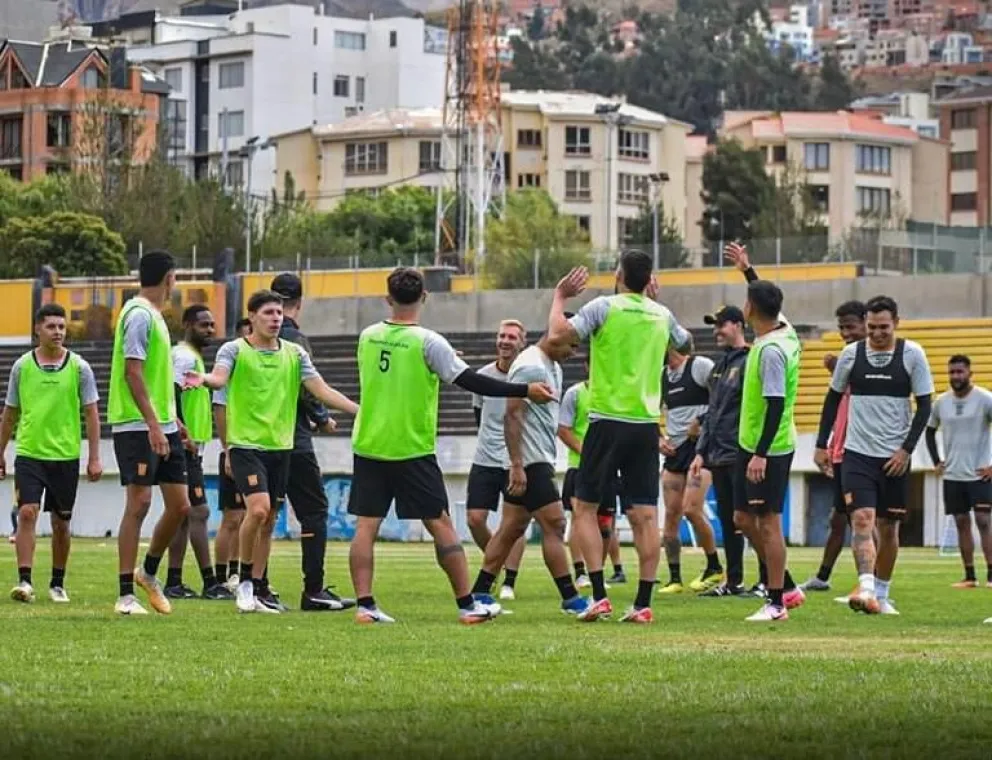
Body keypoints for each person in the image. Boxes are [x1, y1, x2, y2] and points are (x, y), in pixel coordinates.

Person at [347, 267, 555, 624]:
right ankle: (467, 604)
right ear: (425, 297)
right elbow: (474, 381)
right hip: (411, 448)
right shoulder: (429, 342)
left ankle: (365, 606)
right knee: (441, 524)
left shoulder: (368, 336)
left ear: (387, 298)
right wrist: (525, 389)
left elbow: (395, 366)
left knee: (366, 526)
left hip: (369, 444)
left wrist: (443, 357)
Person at [187, 290, 360, 615]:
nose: (276, 318)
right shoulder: (234, 349)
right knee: (257, 510)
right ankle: (244, 582)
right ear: (252, 317)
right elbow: (219, 378)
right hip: (245, 446)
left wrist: (359, 411)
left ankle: (258, 587)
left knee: (268, 520)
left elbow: (321, 390)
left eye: (279, 313)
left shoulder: (294, 353)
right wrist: (205, 379)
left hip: (281, 447)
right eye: (268, 313)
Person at [548, 251, 691, 623]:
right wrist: (654, 304)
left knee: (584, 508)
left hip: (606, 420)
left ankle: (599, 595)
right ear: (649, 281)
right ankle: (643, 603)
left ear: (618, 274)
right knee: (645, 515)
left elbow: (558, 335)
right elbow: (686, 345)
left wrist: (560, 297)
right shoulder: (662, 315)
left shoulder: (603, 307)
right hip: (644, 425)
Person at [815, 295, 934, 616]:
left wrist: (906, 450)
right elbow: (832, 399)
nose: (878, 333)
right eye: (872, 328)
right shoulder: (851, 355)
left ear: (896, 323)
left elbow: (925, 406)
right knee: (861, 519)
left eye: (884, 327)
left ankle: (882, 593)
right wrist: (821, 444)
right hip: (857, 453)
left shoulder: (912, 354)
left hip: (894, 457)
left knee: (889, 527)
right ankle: (866, 586)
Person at [470, 327, 590, 617]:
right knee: (555, 523)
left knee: (511, 527)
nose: (573, 353)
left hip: (539, 457)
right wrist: (516, 465)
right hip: (530, 460)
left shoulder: (552, 366)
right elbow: (512, 415)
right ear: (556, 337)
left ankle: (480, 593)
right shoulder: (531, 366)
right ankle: (571, 598)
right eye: (571, 345)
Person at [109, 250, 191, 616]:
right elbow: (133, 373)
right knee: (139, 502)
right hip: (136, 425)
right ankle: (125, 594)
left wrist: (173, 422)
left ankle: (148, 571)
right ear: (169, 278)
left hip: (163, 423)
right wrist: (154, 425)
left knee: (180, 506)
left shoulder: (155, 316)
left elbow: (156, 378)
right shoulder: (139, 315)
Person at [0, 304, 102, 603]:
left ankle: (57, 583)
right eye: (51, 326)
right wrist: (1, 451)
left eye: (61, 326)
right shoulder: (22, 367)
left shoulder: (79, 367)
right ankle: (25, 581)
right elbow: (9, 414)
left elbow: (92, 414)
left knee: (61, 522)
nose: (57, 332)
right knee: (27, 512)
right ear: (37, 329)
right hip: (30, 452)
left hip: (65, 455)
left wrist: (94, 457)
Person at [270, 273, 356, 612]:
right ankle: (314, 588)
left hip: (262, 437)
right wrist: (322, 418)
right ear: (300, 303)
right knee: (314, 511)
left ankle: (255, 585)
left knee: (263, 512)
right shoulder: (294, 339)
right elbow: (307, 387)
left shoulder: (253, 339)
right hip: (294, 438)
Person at [732, 274, 803, 622]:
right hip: (751, 443)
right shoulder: (783, 330)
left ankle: (776, 603)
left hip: (768, 448)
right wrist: (748, 270)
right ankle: (786, 584)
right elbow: (766, 298)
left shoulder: (772, 351)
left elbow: (775, 404)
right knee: (742, 519)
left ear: (751, 308)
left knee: (768, 523)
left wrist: (760, 454)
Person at [164, 305, 231, 600]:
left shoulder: (195, 358)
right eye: (204, 324)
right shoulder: (184, 357)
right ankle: (210, 583)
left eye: (213, 324)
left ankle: (174, 582)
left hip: (193, 446)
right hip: (184, 446)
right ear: (188, 325)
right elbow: (170, 394)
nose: (210, 330)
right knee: (199, 511)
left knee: (182, 514)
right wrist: (182, 433)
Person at [801, 301, 868, 594]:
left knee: (864, 518)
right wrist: (827, 445)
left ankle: (872, 583)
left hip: (863, 450)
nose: (845, 333)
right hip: (842, 447)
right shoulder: (846, 359)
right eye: (841, 328)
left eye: (850, 326)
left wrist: (839, 367)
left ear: (866, 323)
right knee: (838, 518)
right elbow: (837, 404)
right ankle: (823, 577)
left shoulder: (872, 359)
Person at [691, 305, 752, 597]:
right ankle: (734, 581)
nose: (716, 331)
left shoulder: (751, 360)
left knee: (749, 519)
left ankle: (771, 581)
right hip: (718, 455)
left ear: (738, 325)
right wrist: (701, 452)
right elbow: (713, 412)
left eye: (721, 325)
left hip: (741, 452)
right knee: (729, 521)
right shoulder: (719, 366)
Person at [466, 319, 529, 601]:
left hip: (515, 460)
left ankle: (508, 582)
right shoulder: (483, 376)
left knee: (512, 523)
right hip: (485, 458)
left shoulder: (527, 375)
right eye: (502, 335)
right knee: (474, 519)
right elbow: (478, 416)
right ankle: (497, 563)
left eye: (512, 337)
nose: (505, 341)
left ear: (522, 343)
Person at [659, 341, 723, 595]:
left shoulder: (700, 366)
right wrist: (659, 438)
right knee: (671, 515)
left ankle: (714, 566)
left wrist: (701, 421)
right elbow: (647, 409)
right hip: (674, 451)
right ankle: (674, 578)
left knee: (692, 509)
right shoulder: (661, 376)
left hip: (701, 448)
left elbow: (724, 397)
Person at [925, 355, 992, 589]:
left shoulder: (985, 399)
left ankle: (991, 575)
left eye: (960, 372)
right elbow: (929, 431)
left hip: (980, 473)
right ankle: (970, 576)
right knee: (961, 522)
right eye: (952, 372)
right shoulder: (941, 402)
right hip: (953, 475)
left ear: (970, 373)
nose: (956, 376)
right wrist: (936, 461)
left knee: (983, 521)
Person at [558, 361, 627, 588]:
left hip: (607, 469)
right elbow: (563, 429)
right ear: (587, 367)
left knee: (605, 525)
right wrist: (587, 453)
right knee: (579, 518)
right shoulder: (575, 394)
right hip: (579, 467)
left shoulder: (615, 394)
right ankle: (580, 572)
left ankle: (598, 571)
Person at [212, 318, 250, 593]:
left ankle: (238, 572)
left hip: (255, 450)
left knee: (249, 516)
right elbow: (220, 410)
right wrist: (227, 451)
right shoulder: (229, 372)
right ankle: (221, 575)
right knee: (232, 518)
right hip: (236, 450)